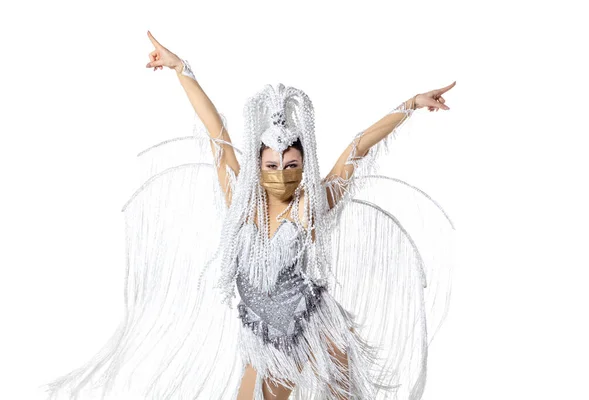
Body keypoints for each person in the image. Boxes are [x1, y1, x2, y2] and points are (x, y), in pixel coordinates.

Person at [41, 31, 456, 400]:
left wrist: (412, 104)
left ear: (303, 166)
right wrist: (181, 69)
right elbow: (216, 132)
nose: (281, 174)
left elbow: (357, 148)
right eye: (272, 166)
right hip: (262, 330)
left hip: (310, 323)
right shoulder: (240, 201)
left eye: (291, 166)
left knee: (343, 394)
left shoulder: (312, 205)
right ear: (259, 167)